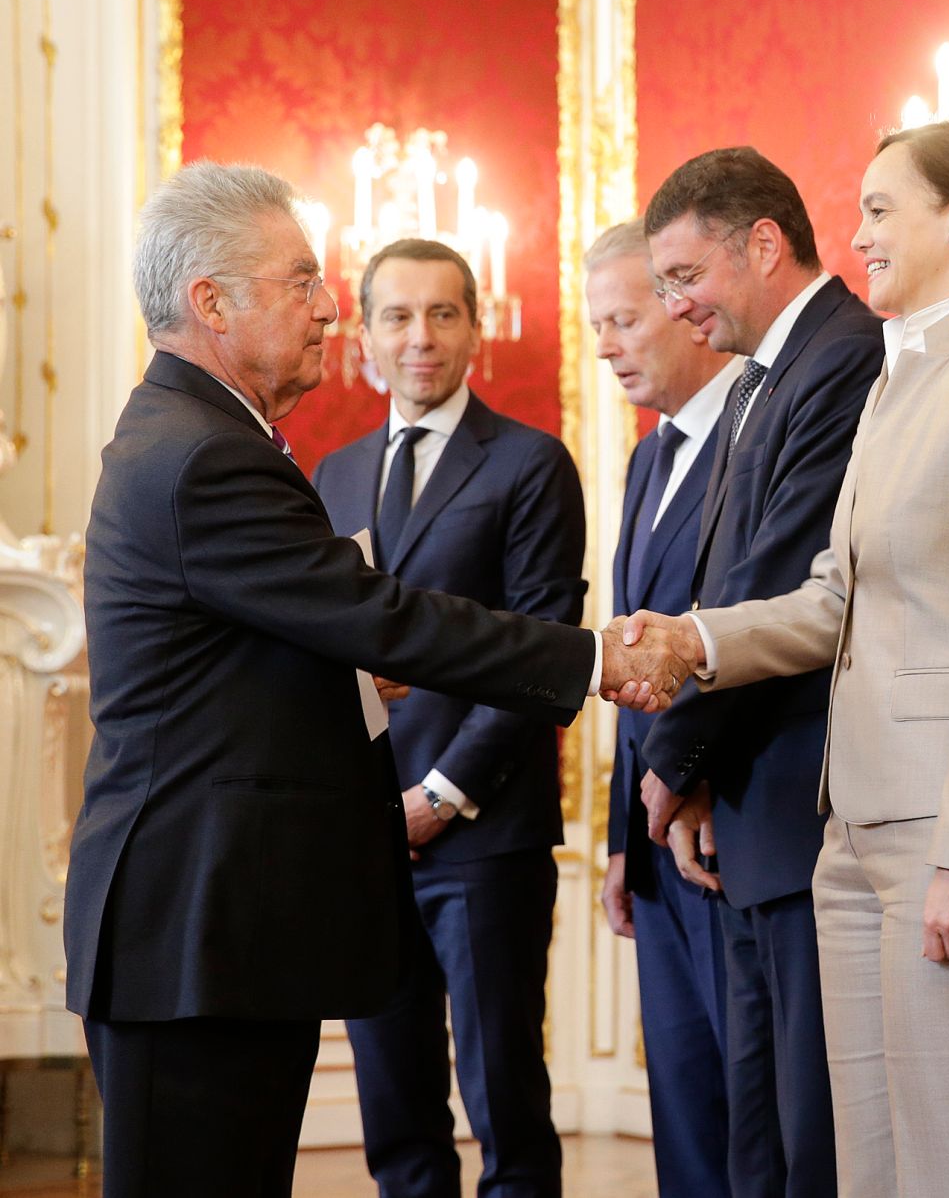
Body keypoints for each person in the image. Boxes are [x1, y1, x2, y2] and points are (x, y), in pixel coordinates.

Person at [62, 162, 688, 1198]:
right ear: (210, 302)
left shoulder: (202, 436)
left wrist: (352, 683)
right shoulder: (205, 455)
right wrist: (592, 657)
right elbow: (380, 616)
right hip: (194, 928)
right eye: (301, 278)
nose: (327, 306)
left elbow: (262, 653)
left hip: (221, 925)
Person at [624, 117, 949, 1196]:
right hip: (853, 827)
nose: (859, 233)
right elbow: (832, 596)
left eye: (881, 208)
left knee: (948, 1165)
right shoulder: (889, 382)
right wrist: (695, 640)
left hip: (947, 833)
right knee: (868, 1169)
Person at [630, 147, 884, 1198]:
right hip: (746, 805)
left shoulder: (844, 356)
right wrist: (692, 772)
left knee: (808, 1137)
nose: (676, 308)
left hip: (803, 798)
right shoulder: (756, 379)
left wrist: (673, 752)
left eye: (685, 277)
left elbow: (771, 574)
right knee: (756, 1140)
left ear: (764, 245)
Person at [311, 239, 584, 1198]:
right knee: (396, 1103)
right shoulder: (331, 476)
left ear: (476, 328)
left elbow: (542, 650)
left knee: (505, 1093)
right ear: (365, 337)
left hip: (483, 832)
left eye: (442, 314)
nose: (419, 337)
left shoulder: (530, 463)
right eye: (397, 315)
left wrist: (442, 792)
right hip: (367, 836)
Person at [588, 220, 739, 1198]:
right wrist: (616, 838)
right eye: (595, 324)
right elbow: (629, 656)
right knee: (684, 1116)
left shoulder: (758, 437)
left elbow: (753, 632)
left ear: (684, 308)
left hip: (726, 823)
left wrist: (695, 780)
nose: (604, 344)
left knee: (748, 1122)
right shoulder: (649, 458)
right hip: (654, 844)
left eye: (623, 318)